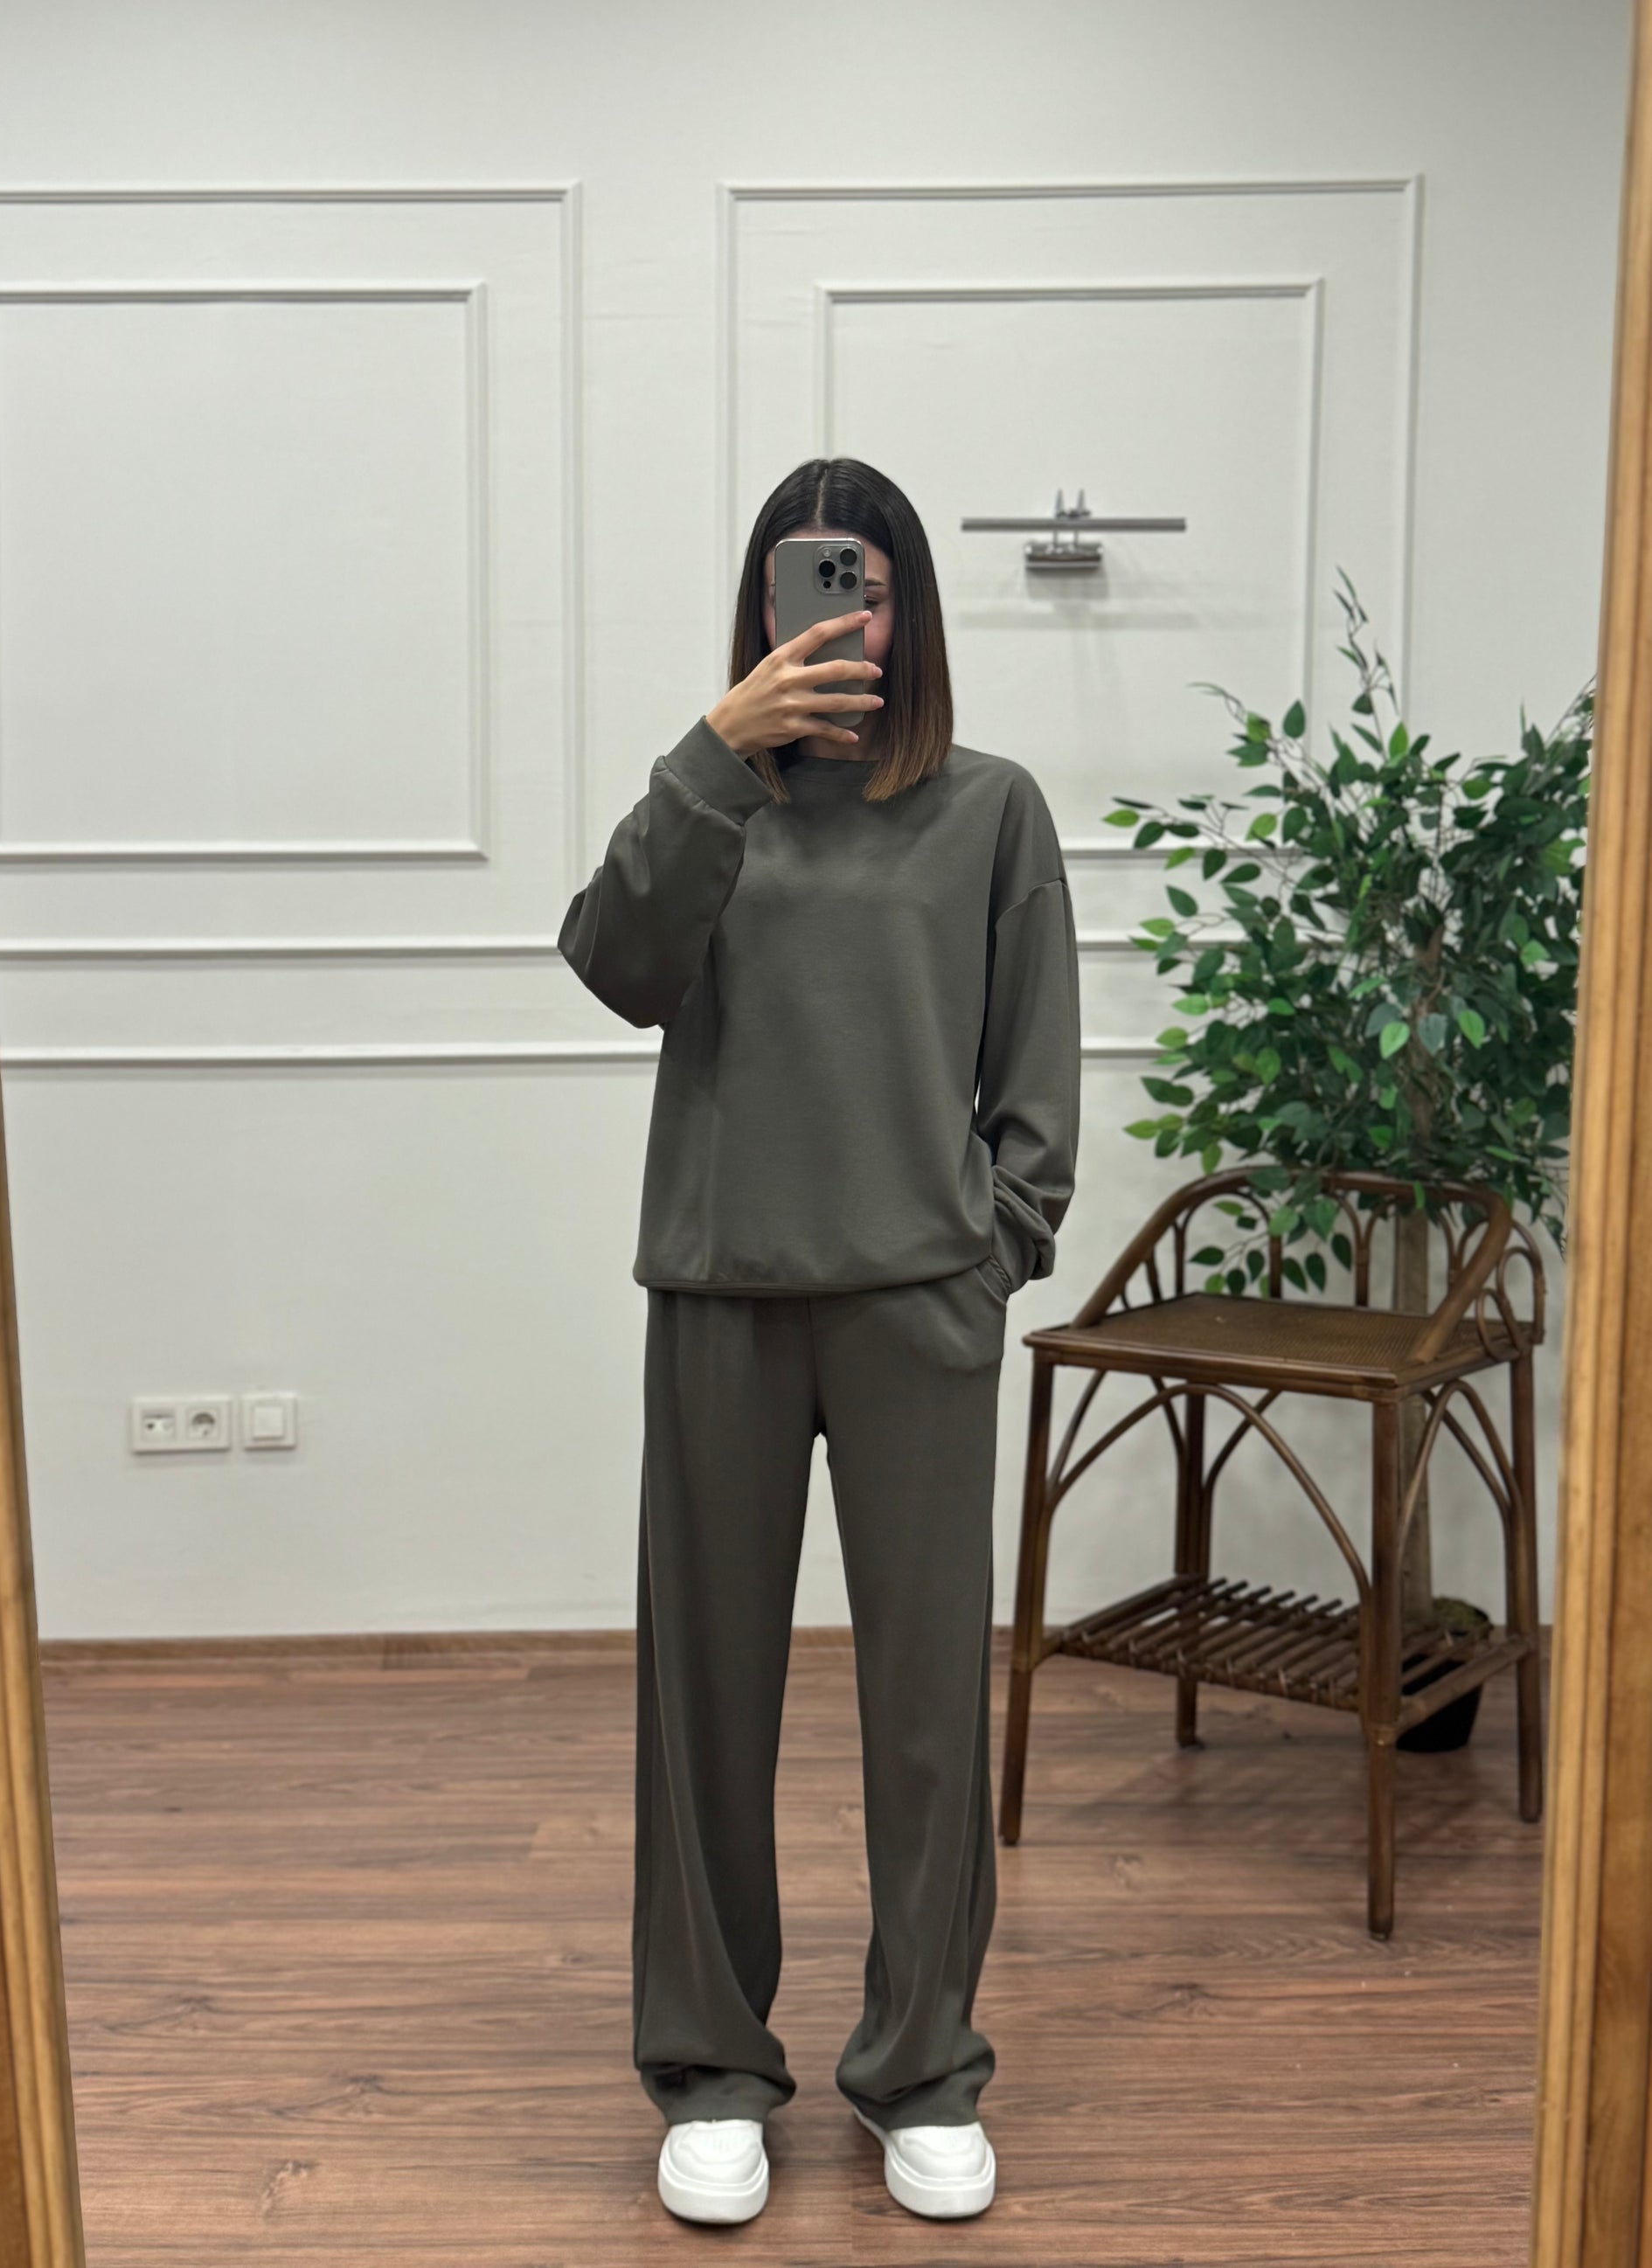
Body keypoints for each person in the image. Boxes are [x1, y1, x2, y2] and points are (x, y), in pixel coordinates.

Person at [557, 457, 1080, 2225]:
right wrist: (713, 752)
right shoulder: (711, 803)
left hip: (916, 1297)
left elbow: (1035, 1069)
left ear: (905, 607)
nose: (837, 612)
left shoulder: (989, 808)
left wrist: (994, 1248)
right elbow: (614, 964)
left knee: (925, 1706)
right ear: (763, 606)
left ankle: (922, 2067)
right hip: (721, 1287)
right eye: (804, 580)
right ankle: (711, 2068)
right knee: (706, 1698)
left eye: (863, 581)